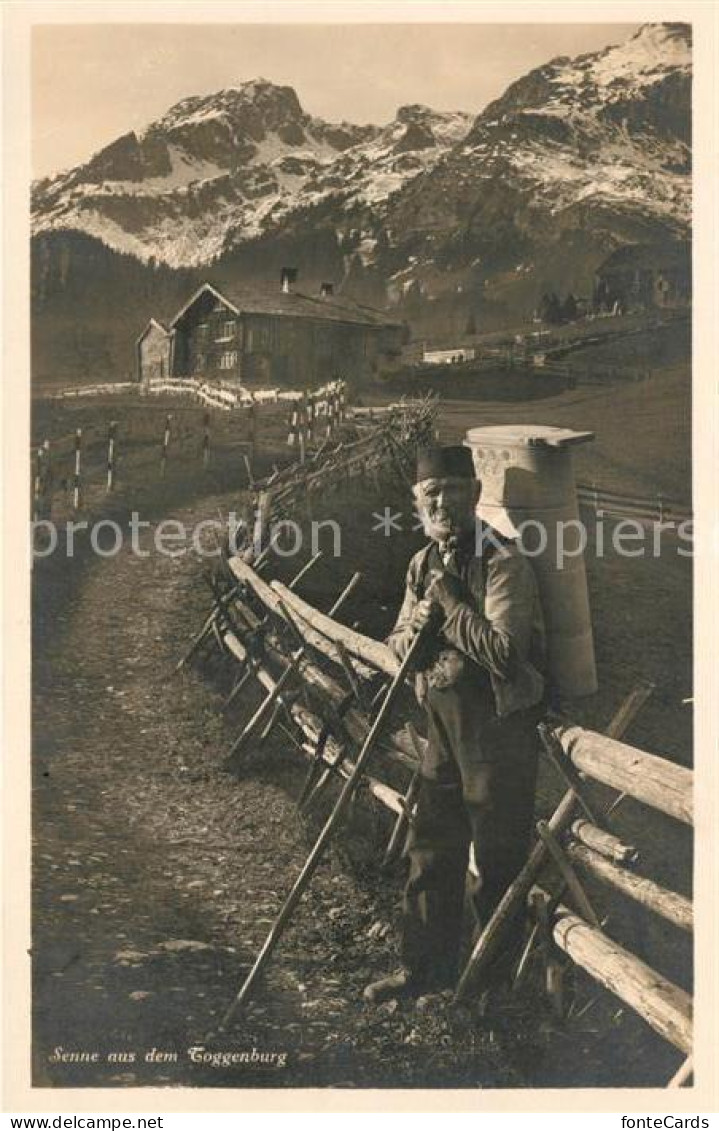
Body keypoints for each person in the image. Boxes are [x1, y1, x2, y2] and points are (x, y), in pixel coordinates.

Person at [364, 444, 546, 1004]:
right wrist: (412, 633)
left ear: (475, 493)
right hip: (442, 723)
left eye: (451, 489)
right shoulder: (420, 563)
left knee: (496, 858)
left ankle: (490, 993)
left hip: (498, 729)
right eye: (429, 494)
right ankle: (424, 971)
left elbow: (505, 654)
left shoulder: (503, 560)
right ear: (417, 502)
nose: (441, 502)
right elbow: (395, 643)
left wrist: (447, 600)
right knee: (432, 846)